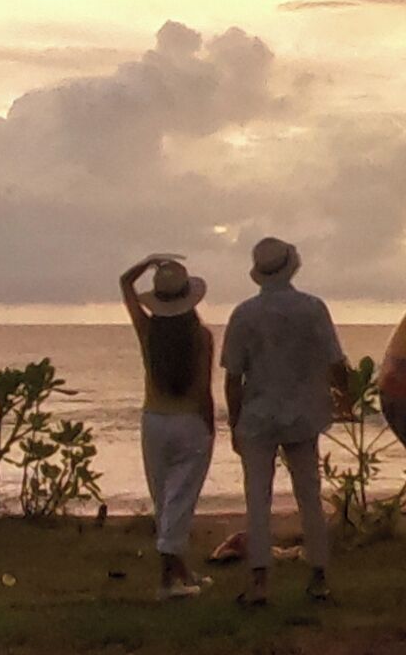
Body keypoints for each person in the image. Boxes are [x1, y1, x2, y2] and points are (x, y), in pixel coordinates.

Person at [220, 234, 345, 607]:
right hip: (303, 414)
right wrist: (346, 400)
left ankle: (260, 581)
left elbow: (233, 377)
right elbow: (335, 362)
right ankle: (318, 575)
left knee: (257, 499)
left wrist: (234, 423)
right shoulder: (313, 308)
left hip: (258, 415)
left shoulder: (244, 314)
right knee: (309, 495)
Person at [118, 254, 218, 594]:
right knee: (180, 500)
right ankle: (168, 579)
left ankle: (180, 572)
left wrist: (147, 263)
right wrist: (211, 426)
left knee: (165, 499)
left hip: (155, 421)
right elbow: (203, 390)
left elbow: (125, 283)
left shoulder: (148, 332)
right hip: (189, 420)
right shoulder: (200, 337)